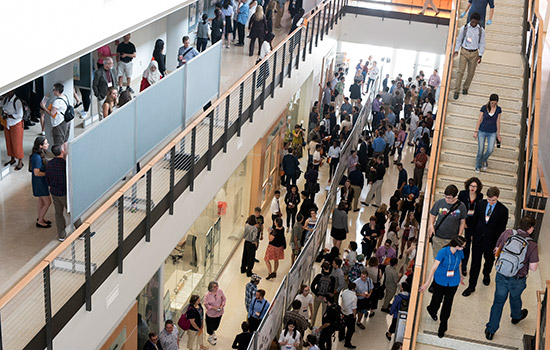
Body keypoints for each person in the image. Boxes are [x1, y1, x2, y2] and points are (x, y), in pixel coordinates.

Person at [485, 215, 539, 340]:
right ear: (530, 229)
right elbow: (533, 268)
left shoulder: (508, 233)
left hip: (502, 274)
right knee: (515, 297)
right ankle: (516, 316)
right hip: (517, 279)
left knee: (498, 302)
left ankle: (490, 330)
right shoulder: (532, 244)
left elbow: (496, 250)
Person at [462, 186, 508, 296]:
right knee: (475, 263)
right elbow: (475, 219)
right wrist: (472, 234)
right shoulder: (481, 204)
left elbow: (502, 229)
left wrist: (498, 244)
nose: (491, 202)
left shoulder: (503, 210)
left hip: (491, 241)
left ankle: (486, 273)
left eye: (493, 200)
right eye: (489, 200)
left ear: (498, 198)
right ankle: (471, 286)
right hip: (478, 239)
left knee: (489, 260)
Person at [420, 236, 466, 338]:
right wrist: (427, 283)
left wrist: (461, 276)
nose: (464, 247)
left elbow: (459, 264)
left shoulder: (459, 252)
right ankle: (432, 309)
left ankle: (443, 325)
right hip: (440, 280)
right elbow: (434, 267)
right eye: (462, 246)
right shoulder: (443, 252)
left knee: (448, 303)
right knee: (437, 299)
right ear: (456, 245)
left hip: (453, 281)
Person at [453, 12, 486, 100]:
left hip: (474, 53)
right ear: (470, 20)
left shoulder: (481, 31)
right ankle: (456, 90)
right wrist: (456, 50)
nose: (473, 23)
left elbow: (482, 43)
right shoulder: (465, 28)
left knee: (471, 73)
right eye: (472, 21)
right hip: (464, 51)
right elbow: (459, 40)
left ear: (478, 21)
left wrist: (480, 55)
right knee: (460, 72)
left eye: (475, 22)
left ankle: (465, 88)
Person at [428, 184, 467, 258]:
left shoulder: (461, 206)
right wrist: (431, 225)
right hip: (438, 236)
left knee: (449, 259)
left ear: (455, 196)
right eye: (445, 197)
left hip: (451, 238)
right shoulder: (439, 203)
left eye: (449, 198)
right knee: (438, 259)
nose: (447, 199)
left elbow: (462, 222)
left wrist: (459, 235)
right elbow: (432, 214)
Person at [457, 177, 483, 276]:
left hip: (473, 223)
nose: (472, 188)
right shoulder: (463, 194)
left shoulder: (480, 196)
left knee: (467, 246)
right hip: (462, 220)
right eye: (471, 186)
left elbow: (479, 211)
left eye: (475, 186)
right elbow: (458, 208)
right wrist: (463, 221)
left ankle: (464, 267)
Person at [45, 145, 68, 242]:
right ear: (62, 151)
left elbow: (47, 178)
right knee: (73, 211)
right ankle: (82, 232)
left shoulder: (49, 164)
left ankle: (61, 235)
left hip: (54, 192)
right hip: (64, 192)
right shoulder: (64, 164)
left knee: (58, 213)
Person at [474, 93, 502, 172]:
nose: (493, 105)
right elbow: (479, 119)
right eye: (492, 103)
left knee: (490, 150)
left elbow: (498, 122)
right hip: (482, 131)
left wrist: (498, 134)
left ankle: (484, 159)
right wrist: (476, 131)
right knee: (481, 150)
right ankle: (478, 165)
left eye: (495, 103)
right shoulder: (484, 107)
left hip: (492, 132)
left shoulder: (498, 109)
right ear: (489, 101)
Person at [30, 137, 52, 228]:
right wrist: (48, 173)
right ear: (40, 146)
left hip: (41, 182)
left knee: (41, 200)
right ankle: (40, 221)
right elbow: (36, 172)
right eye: (46, 143)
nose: (48, 144)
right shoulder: (37, 157)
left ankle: (40, 217)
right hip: (40, 183)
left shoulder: (39, 154)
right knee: (48, 202)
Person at [1, 91, 25, 170]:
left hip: (16, 124)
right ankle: (12, 159)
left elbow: (20, 115)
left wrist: (9, 115)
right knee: (9, 142)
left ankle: (20, 162)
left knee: (17, 144)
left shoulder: (17, 101)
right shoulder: (6, 99)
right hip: (7, 124)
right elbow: (2, 106)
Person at [311, 261, 336, 326]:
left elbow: (312, 286)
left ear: (322, 267)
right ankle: (322, 325)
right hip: (326, 299)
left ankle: (312, 325)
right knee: (324, 313)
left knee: (315, 311)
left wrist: (317, 294)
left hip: (318, 296)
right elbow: (332, 291)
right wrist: (327, 297)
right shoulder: (332, 278)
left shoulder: (319, 276)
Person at [204, 281, 226, 345]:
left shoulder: (220, 291)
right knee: (210, 327)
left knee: (216, 326)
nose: (216, 287)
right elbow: (206, 304)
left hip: (219, 313)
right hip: (211, 314)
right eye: (214, 286)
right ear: (211, 287)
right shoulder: (207, 295)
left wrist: (222, 305)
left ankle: (213, 332)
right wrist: (213, 308)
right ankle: (210, 337)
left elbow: (224, 299)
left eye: (217, 286)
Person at [339, 282, 358, 349]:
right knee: (350, 330)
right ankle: (347, 343)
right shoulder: (354, 297)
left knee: (342, 326)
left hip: (343, 312)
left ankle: (341, 337)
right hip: (350, 314)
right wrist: (354, 315)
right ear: (353, 289)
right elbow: (354, 308)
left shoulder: (344, 292)